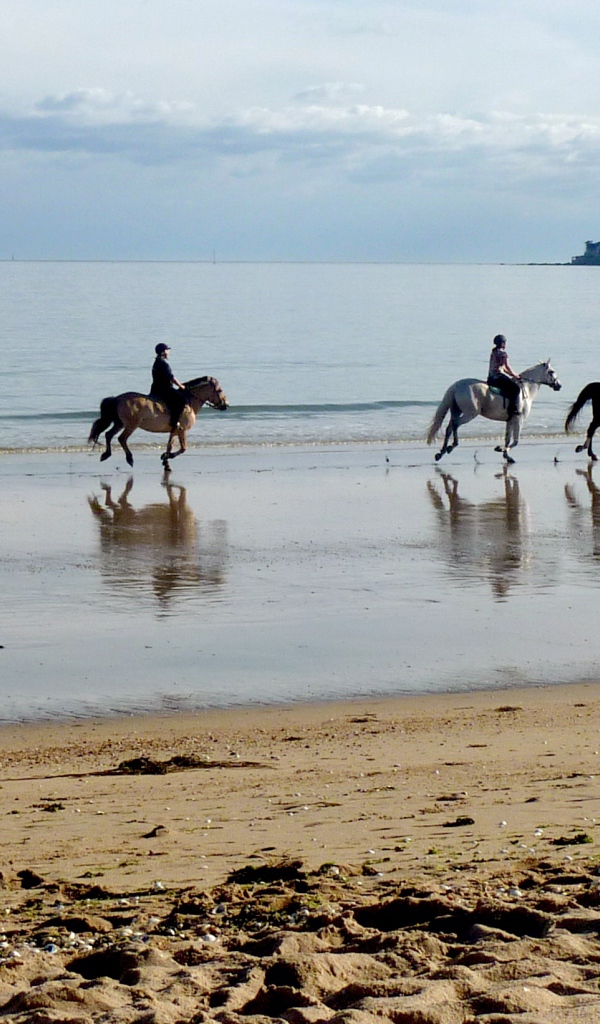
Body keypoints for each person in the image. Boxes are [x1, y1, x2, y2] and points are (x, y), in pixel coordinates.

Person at [150, 343, 188, 430]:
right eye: (167, 350)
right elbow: (171, 378)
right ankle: (174, 422)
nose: (168, 352)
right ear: (163, 352)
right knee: (182, 401)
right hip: (164, 389)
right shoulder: (163, 364)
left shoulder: (157, 362)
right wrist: (181, 386)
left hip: (155, 388)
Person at [487, 334, 522, 419]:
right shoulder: (503, 354)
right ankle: (512, 409)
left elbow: (503, 368)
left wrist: (512, 375)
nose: (505, 344)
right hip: (497, 377)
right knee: (516, 388)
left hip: (490, 378)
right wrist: (515, 375)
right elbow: (507, 367)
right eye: (504, 342)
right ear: (501, 343)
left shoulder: (494, 352)